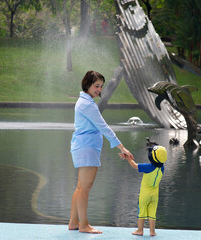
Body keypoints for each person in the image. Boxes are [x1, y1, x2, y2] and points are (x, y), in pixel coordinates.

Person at [68, 70, 134, 234]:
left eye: (101, 86)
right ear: (87, 85)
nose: (99, 90)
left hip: (85, 147)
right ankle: (84, 225)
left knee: (80, 187)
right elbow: (103, 127)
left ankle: (73, 223)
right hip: (87, 148)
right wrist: (121, 147)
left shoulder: (85, 101)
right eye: (96, 86)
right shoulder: (87, 104)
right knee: (84, 188)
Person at [120, 144, 167, 237]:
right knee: (152, 213)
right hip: (155, 194)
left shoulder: (148, 167)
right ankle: (152, 232)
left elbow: (134, 165)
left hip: (144, 194)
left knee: (141, 211)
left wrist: (128, 158)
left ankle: (140, 230)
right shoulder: (162, 168)